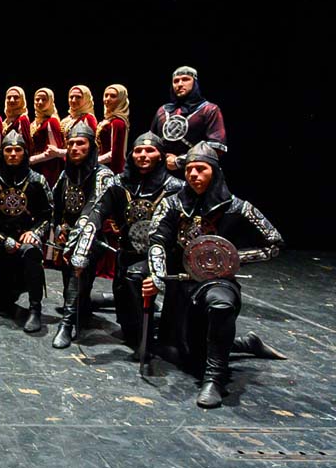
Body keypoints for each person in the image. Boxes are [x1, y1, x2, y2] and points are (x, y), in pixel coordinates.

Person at [147, 144, 282, 407]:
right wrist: (158, 276)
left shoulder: (238, 206)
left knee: (221, 304)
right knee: (182, 352)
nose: (193, 175)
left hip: (217, 282)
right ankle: (245, 344)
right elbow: (157, 240)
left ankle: (214, 380)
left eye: (201, 169)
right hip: (181, 283)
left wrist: (229, 259)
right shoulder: (172, 204)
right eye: (189, 170)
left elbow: (274, 243)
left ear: (215, 172)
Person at [71, 132, 184, 354]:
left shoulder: (176, 187)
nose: (143, 155)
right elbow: (96, 214)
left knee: (169, 336)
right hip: (127, 254)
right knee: (128, 325)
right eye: (138, 151)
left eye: (150, 150)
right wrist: (82, 251)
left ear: (161, 155)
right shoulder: (118, 183)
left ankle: (150, 337)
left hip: (164, 258)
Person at [0, 130, 53, 333]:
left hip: (24, 236)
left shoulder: (37, 180)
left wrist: (35, 232)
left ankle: (35, 308)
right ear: (2, 153)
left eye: (17, 150)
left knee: (32, 251)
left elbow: (47, 215)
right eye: (8, 150)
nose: (13, 154)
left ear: (24, 152)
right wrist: (2, 238)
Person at [49, 122, 115, 348]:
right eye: (71, 144)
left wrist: (74, 242)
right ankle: (99, 302)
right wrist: (59, 229)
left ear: (91, 146)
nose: (75, 148)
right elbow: (56, 208)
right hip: (68, 238)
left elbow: (92, 212)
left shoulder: (102, 175)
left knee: (77, 273)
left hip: (92, 238)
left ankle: (67, 324)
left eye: (80, 143)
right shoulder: (66, 174)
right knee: (77, 294)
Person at [149, 66, 227, 172]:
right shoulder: (162, 111)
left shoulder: (209, 109)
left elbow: (216, 147)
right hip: (162, 171)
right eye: (176, 81)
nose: (180, 84)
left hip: (196, 171)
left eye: (185, 79)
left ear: (195, 82)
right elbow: (152, 141)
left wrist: (180, 161)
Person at [29, 87, 65, 186]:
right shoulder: (35, 122)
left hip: (49, 167)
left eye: (44, 99)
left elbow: (53, 151)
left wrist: (32, 160)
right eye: (37, 99)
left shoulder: (52, 121)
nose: (40, 102)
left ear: (50, 101)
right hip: (37, 166)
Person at [96, 84, 129, 175]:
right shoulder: (109, 120)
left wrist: (94, 161)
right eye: (106, 95)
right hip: (101, 166)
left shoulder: (117, 122)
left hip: (110, 169)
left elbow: (115, 153)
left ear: (121, 100)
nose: (107, 99)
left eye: (113, 96)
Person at [2, 86, 33, 153]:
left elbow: (26, 144)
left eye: (16, 97)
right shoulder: (7, 120)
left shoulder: (22, 119)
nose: (12, 100)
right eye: (9, 97)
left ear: (22, 99)